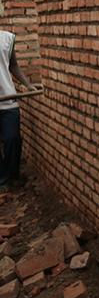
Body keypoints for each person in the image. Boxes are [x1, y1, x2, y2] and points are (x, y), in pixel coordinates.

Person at [0, 30, 37, 192]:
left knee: (12, 139)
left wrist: (28, 85)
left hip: (7, 99)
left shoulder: (7, 38)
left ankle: (11, 176)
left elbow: (13, 65)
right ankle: (3, 178)